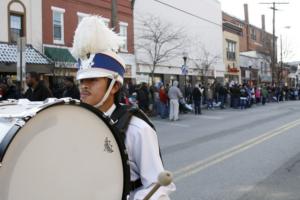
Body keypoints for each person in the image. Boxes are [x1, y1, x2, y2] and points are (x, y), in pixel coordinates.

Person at [71, 16, 175, 200]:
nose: (84, 86)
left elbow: (156, 186)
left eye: (93, 79)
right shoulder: (77, 122)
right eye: (82, 80)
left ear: (115, 87)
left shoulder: (137, 130)